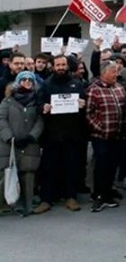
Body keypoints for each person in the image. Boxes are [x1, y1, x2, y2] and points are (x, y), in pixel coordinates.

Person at [34, 55, 87, 214]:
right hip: (52, 135)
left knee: (72, 166)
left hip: (72, 134)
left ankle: (71, 197)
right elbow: (38, 105)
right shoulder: (46, 84)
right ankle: (46, 199)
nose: (61, 67)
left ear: (67, 66)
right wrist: (44, 107)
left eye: (63, 64)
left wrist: (82, 104)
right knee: (49, 168)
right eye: (58, 65)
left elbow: (84, 104)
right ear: (53, 66)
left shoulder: (76, 84)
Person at [86, 60, 126, 212]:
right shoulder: (93, 89)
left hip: (117, 135)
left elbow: (124, 110)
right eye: (113, 71)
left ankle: (108, 193)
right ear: (104, 73)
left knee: (112, 165)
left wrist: (125, 127)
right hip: (101, 136)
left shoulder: (119, 88)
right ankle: (98, 195)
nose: (116, 74)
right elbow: (88, 114)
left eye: (117, 71)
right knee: (101, 166)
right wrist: (101, 129)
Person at [0, 71, 43, 215]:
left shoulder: (37, 101)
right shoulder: (7, 101)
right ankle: (7, 204)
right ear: (18, 82)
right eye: (23, 79)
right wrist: (9, 137)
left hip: (29, 144)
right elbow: (1, 120)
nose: (27, 81)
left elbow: (40, 120)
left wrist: (32, 136)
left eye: (30, 79)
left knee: (28, 174)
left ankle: (28, 204)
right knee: (8, 173)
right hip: (10, 144)